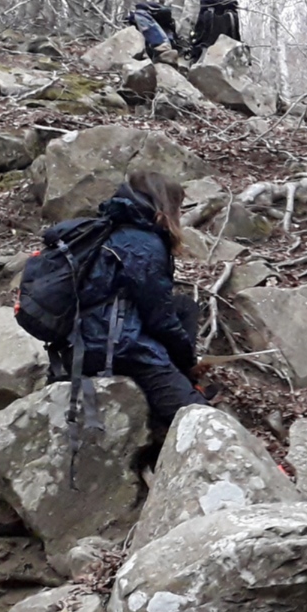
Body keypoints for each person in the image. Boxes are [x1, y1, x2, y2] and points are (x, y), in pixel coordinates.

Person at [70, 171, 211, 430]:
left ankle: (176, 383)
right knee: (200, 417)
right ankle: (175, 399)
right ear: (165, 207)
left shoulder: (111, 228)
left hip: (82, 338)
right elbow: (159, 318)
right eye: (177, 208)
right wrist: (188, 364)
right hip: (113, 346)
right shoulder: (144, 244)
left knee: (185, 307)